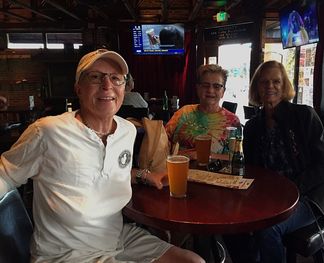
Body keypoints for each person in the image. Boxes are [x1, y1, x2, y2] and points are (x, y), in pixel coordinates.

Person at [0, 48, 204, 263]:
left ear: (125, 87)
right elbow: (5, 175)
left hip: (116, 237)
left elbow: (107, 171)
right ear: (78, 87)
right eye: (96, 77)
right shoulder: (48, 131)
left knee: (193, 261)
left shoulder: (127, 130)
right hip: (66, 254)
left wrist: (145, 175)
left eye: (116, 78)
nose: (108, 86)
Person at [232, 60, 324, 262]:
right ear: (256, 87)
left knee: (268, 230)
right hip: (268, 197)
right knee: (234, 220)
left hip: (308, 197)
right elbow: (253, 169)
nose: (270, 86)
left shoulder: (304, 116)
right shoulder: (253, 126)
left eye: (276, 81)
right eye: (264, 82)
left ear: (284, 85)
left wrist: (291, 189)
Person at [165, 64, 240, 154]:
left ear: (223, 91)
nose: (210, 90)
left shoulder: (233, 122)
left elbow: (233, 158)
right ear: (198, 88)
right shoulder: (183, 113)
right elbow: (163, 143)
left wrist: (202, 156)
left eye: (216, 86)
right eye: (205, 85)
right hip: (178, 167)